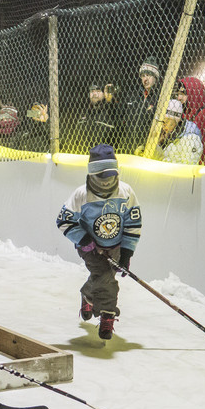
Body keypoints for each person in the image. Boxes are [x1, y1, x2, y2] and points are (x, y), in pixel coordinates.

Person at [56, 144, 142, 340]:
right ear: (93, 175)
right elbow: (63, 221)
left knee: (103, 277)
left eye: (111, 177)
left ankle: (88, 295)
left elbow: (133, 222)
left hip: (116, 247)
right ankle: (107, 316)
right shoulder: (81, 195)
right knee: (105, 277)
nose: (107, 183)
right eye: (103, 178)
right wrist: (83, 239)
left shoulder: (126, 192)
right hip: (90, 248)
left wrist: (127, 251)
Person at [122, 57, 162, 155]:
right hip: (127, 147)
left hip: (145, 150)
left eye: (148, 75)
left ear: (155, 78)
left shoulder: (159, 98)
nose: (145, 79)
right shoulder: (133, 96)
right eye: (143, 76)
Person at [156, 96, 204, 165]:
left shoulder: (190, 137)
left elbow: (188, 165)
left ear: (176, 120)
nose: (163, 125)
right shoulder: (171, 134)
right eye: (162, 122)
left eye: (166, 121)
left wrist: (163, 161)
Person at [73, 83, 118, 152]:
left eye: (98, 91)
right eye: (92, 91)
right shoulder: (83, 112)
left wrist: (109, 100)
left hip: (105, 156)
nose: (94, 94)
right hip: (84, 155)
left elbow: (115, 109)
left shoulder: (111, 111)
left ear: (104, 94)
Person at [179, 77, 205, 165]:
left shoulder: (204, 114)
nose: (179, 97)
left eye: (183, 94)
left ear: (194, 93)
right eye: (178, 93)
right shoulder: (184, 114)